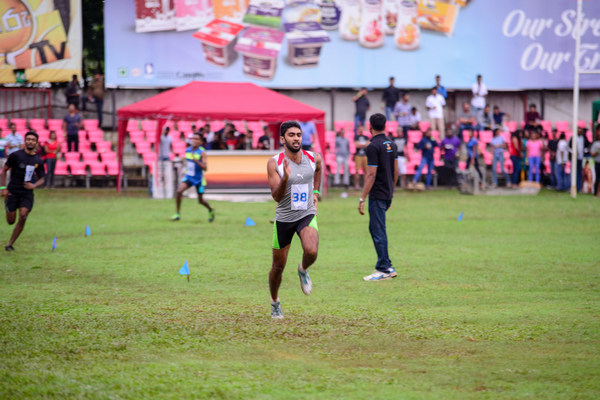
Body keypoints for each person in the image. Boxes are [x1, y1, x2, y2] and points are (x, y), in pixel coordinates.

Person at [267, 121, 322, 319]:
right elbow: (276, 196)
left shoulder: (313, 157)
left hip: (306, 213)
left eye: (298, 134)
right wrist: (285, 180)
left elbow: (318, 169)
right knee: (278, 267)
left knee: (312, 250)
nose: (296, 138)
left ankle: (303, 269)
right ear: (282, 139)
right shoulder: (275, 163)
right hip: (284, 218)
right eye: (291, 135)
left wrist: (315, 191)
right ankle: (275, 302)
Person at [358, 113, 398, 281]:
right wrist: (391, 192)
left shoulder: (372, 147)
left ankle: (385, 268)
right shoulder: (392, 144)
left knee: (378, 229)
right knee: (376, 228)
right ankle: (385, 265)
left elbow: (371, 174)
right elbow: (396, 171)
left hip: (377, 193)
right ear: (385, 125)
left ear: (370, 127)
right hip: (387, 192)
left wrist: (362, 198)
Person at [1, 131, 46, 251]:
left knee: (23, 216)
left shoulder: (38, 160)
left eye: (33, 140)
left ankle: (10, 244)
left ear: (36, 143)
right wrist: (3, 188)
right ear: (25, 141)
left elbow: (42, 178)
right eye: (28, 139)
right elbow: (4, 171)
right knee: (11, 221)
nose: (30, 141)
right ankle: (7, 204)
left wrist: (34, 185)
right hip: (13, 191)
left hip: (26, 193)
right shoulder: (16, 155)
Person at [171, 132, 214, 222]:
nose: (194, 140)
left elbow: (205, 168)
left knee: (200, 201)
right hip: (189, 177)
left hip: (199, 180)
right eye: (193, 138)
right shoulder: (188, 150)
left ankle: (210, 210)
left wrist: (196, 161)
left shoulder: (202, 153)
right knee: (179, 191)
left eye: (196, 139)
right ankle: (177, 214)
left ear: (201, 142)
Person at [353, 124, 369, 190]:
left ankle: (365, 185)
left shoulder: (366, 137)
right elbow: (356, 145)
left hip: (365, 155)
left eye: (362, 129)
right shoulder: (356, 137)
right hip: (358, 155)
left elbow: (368, 144)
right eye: (360, 129)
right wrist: (364, 145)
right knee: (357, 171)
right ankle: (357, 185)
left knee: (366, 171)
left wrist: (361, 145)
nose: (361, 130)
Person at [589, 126, 600, 196]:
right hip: (597, 163)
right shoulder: (595, 144)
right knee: (598, 178)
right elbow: (592, 154)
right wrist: (597, 151)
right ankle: (596, 193)